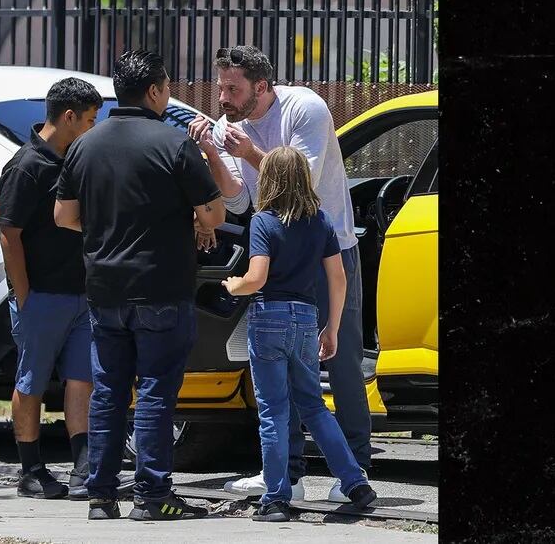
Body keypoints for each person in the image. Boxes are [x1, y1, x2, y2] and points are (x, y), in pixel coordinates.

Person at [188, 45, 372, 502]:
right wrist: (212, 150)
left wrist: (250, 151)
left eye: (233, 88)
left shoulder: (304, 108)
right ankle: (286, 475)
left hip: (327, 247)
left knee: (341, 360)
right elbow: (235, 199)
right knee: (276, 369)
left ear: (263, 87)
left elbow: (300, 184)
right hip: (276, 254)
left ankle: (356, 468)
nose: (223, 98)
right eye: (220, 87)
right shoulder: (228, 126)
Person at [54, 50, 225, 521]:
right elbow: (214, 213)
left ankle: (100, 496)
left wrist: (109, 224)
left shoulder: (85, 145)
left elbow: (63, 216)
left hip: (104, 289)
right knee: (154, 392)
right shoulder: (173, 144)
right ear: (154, 91)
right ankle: (152, 497)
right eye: (167, 86)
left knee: (107, 391)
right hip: (161, 287)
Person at [222, 146, 377, 521]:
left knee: (275, 411)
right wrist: (333, 327)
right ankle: (355, 482)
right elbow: (338, 279)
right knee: (314, 406)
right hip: (307, 320)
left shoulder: (264, 222)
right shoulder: (320, 221)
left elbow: (256, 278)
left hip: (269, 318)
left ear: (270, 180)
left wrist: (234, 284)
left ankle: (276, 498)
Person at [0, 77, 133, 500]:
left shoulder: (77, 160)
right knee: (32, 381)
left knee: (81, 381)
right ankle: (31, 470)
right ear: (69, 116)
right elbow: (9, 235)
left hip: (81, 294)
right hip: (41, 295)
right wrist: (24, 295)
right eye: (90, 120)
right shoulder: (25, 166)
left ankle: (83, 468)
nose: (94, 128)